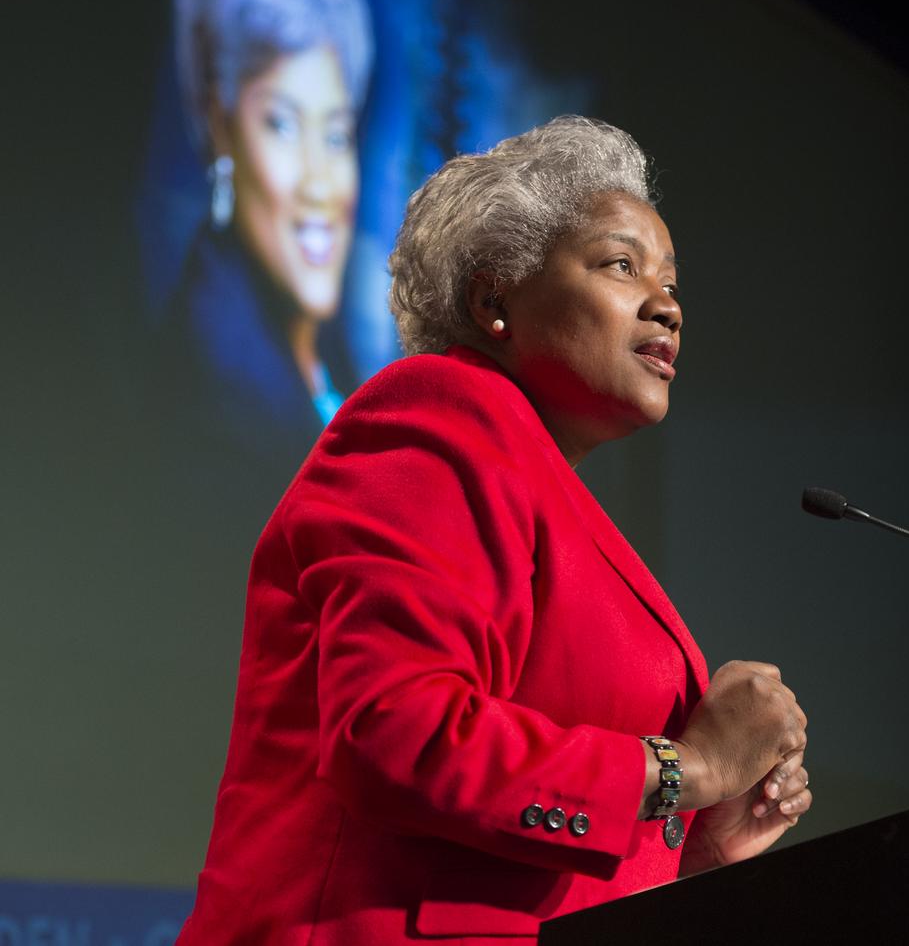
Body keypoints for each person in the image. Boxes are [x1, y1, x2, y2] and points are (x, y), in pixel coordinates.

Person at [177, 116, 811, 944]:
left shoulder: (546, 489)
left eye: (673, 281)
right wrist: (685, 770)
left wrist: (693, 844)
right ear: (494, 300)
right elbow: (397, 731)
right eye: (622, 265)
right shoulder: (434, 417)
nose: (668, 305)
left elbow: (516, 846)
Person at [164, 0, 373, 468]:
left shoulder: (325, 347)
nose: (319, 186)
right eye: (281, 124)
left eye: (336, 135)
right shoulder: (210, 380)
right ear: (219, 127)